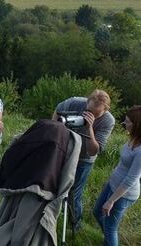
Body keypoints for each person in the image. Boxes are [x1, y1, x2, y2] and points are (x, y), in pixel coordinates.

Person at [53, 89, 115, 230]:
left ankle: (75, 225)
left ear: (105, 110)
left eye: (96, 114)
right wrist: (55, 131)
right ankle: (52, 218)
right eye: (88, 110)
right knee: (54, 184)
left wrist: (90, 127)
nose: (90, 115)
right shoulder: (75, 102)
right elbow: (58, 110)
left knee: (74, 193)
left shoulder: (108, 121)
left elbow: (94, 150)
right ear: (86, 102)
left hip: (84, 159)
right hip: (64, 151)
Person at [93, 106, 141, 246]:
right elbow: (122, 165)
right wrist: (110, 181)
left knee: (110, 227)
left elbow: (131, 179)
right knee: (97, 212)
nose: (124, 124)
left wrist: (111, 201)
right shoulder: (132, 138)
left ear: (137, 125)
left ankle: (109, 241)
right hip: (113, 185)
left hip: (124, 194)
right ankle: (108, 240)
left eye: (127, 122)